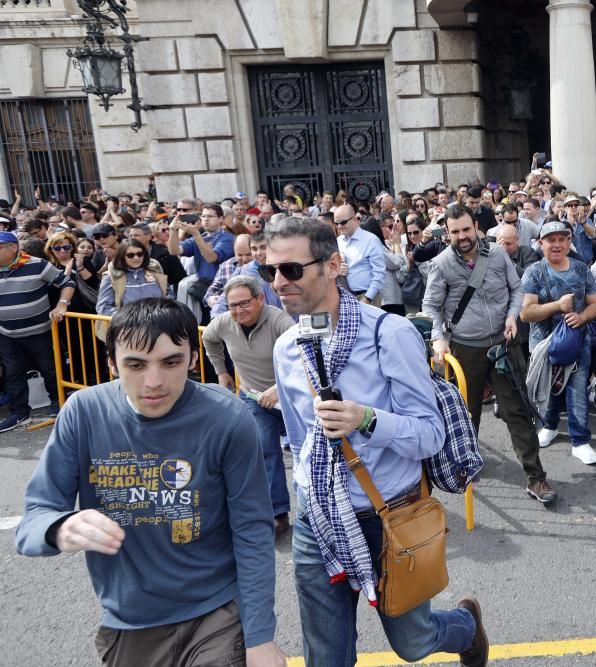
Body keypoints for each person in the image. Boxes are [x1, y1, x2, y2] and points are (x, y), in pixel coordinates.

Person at [264, 217, 488, 666]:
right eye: (270, 269)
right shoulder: (287, 346)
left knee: (414, 643)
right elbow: (299, 435)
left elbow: (429, 435)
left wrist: (366, 419)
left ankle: (466, 627)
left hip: (391, 513)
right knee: (326, 658)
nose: (277, 282)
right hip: (319, 515)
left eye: (290, 270)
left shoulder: (389, 333)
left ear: (332, 264)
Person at [15, 299, 285, 667]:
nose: (154, 381)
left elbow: (252, 530)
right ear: (111, 364)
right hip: (129, 621)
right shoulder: (83, 412)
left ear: (192, 358)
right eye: (136, 365)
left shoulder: (228, 418)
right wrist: (59, 528)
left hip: (216, 614)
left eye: (171, 362)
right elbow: (34, 519)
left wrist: (259, 637)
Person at [423, 205, 555, 504]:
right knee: (465, 414)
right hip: (465, 347)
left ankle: (536, 477)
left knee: (517, 411)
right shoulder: (441, 264)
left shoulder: (496, 254)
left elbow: (517, 289)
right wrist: (438, 338)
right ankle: (467, 462)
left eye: (466, 229)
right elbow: (430, 306)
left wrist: (512, 316)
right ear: (448, 233)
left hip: (503, 344)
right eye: (454, 232)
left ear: (477, 228)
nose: (462, 236)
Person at [203, 275, 295, 535]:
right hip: (253, 398)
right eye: (232, 305)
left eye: (244, 304)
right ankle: (277, 514)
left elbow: (301, 357)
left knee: (306, 453)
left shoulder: (280, 321)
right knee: (264, 451)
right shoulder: (223, 323)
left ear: (260, 299)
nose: (237, 311)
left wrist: (279, 388)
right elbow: (209, 340)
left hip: (290, 397)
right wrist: (221, 371)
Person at [521, 221, 596, 465]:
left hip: (577, 341)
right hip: (543, 343)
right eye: (551, 240)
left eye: (561, 239)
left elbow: (595, 304)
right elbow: (526, 313)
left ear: (569, 242)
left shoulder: (581, 269)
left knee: (577, 389)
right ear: (541, 243)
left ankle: (580, 440)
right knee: (549, 388)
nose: (556, 245)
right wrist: (557, 306)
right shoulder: (533, 272)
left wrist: (581, 316)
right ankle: (550, 425)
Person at [0, 230, 74, 432]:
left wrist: (62, 304)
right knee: (13, 374)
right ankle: (19, 413)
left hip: (39, 331)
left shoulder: (37, 264)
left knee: (49, 368)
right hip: (6, 333)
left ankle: (59, 403)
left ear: (13, 248)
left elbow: (67, 283)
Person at [168, 203, 235, 324]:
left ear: (221, 219)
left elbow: (211, 258)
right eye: (203, 216)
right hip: (202, 289)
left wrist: (196, 234)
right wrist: (173, 230)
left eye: (210, 216)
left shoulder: (227, 238)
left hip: (220, 291)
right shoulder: (200, 237)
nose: (205, 219)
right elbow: (174, 250)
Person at [96, 240, 172, 316]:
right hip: (129, 325)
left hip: (159, 323)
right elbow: (103, 307)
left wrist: (164, 312)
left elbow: (169, 295)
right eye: (130, 255)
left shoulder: (154, 269)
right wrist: (130, 318)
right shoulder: (111, 276)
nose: (136, 258)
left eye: (140, 254)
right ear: (122, 256)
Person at [333, 203, 386, 304]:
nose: (339, 226)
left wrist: (368, 297)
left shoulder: (371, 240)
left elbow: (379, 273)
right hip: (344, 298)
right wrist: (337, 270)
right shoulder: (339, 241)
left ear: (354, 219)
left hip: (367, 296)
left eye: (343, 222)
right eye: (337, 223)